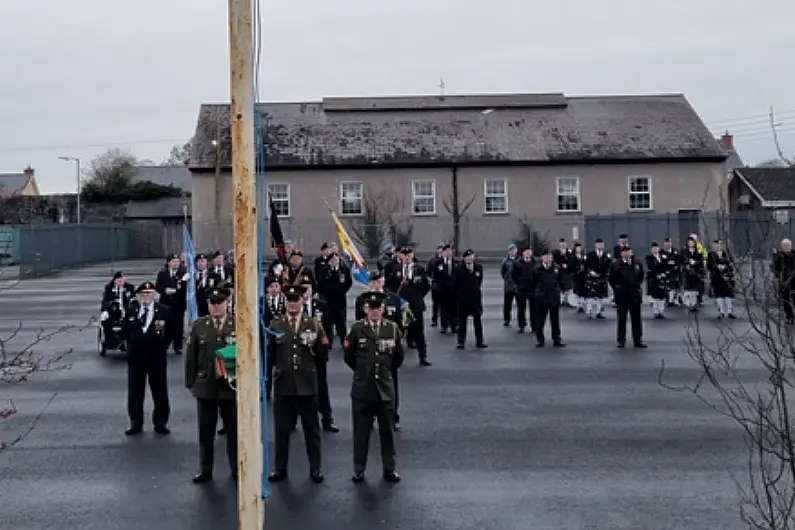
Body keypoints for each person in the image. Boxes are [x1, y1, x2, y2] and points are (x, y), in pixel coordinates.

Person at [267, 284, 328, 484]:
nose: (293, 304)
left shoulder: (314, 324)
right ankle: (280, 468)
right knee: (281, 431)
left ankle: (316, 467)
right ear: (285, 302)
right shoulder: (276, 325)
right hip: (284, 383)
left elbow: (321, 353)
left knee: (312, 430)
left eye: (296, 300)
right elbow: (270, 355)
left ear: (302, 301)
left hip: (307, 383)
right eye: (289, 300)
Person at [344, 291, 404, 483]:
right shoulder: (357, 330)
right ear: (365, 310)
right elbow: (348, 356)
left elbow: (398, 358)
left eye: (378, 308)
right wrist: (363, 372)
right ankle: (359, 468)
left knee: (387, 432)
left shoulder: (392, 329)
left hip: (385, 389)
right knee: (361, 433)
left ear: (383, 309)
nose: (375, 312)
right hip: (363, 389)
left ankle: (389, 468)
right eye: (371, 308)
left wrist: (384, 373)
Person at [184, 285, 238, 483]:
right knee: (206, 433)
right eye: (212, 303)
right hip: (206, 386)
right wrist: (191, 382)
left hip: (230, 387)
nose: (216, 307)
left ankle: (236, 468)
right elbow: (192, 355)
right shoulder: (200, 326)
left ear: (227, 303)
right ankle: (205, 468)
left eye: (220, 303)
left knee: (234, 432)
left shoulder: (237, 324)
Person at [122, 281, 174, 435]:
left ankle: (160, 422)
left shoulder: (164, 311)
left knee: (160, 392)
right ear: (139, 296)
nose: (146, 296)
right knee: (135, 393)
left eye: (149, 293)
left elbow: (171, 331)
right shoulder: (132, 310)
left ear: (154, 295)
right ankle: (135, 422)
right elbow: (125, 331)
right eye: (143, 294)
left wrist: (162, 346)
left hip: (156, 359)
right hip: (136, 359)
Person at [354, 271, 404, 430]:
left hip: (387, 349)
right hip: (367, 348)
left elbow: (398, 324)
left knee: (391, 385)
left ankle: (392, 416)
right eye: (373, 281)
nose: (376, 284)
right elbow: (358, 325)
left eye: (378, 280)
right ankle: (371, 416)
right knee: (368, 384)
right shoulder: (362, 300)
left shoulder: (393, 299)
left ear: (383, 281)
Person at [299, 280, 339, 433]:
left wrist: (325, 347)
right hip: (300, 353)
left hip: (318, 354)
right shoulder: (293, 306)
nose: (304, 293)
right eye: (301, 289)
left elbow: (328, 328)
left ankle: (327, 418)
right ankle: (294, 420)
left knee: (321, 386)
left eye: (307, 289)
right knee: (298, 386)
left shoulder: (320, 306)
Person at [386, 246, 431, 367]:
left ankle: (423, 356)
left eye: (409, 255)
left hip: (415, 305)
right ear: (401, 256)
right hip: (401, 305)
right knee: (398, 331)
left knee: (419, 331)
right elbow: (389, 285)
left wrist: (418, 296)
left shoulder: (419, 270)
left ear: (412, 256)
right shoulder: (396, 269)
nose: (407, 258)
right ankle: (394, 357)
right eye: (404, 255)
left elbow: (426, 286)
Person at [608, 246, 647, 348]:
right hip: (622, 295)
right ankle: (621, 340)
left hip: (635, 295)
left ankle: (638, 340)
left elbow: (641, 276)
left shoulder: (637, 264)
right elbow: (611, 278)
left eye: (629, 252)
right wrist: (617, 288)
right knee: (621, 319)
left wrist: (637, 287)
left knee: (637, 319)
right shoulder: (616, 265)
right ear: (621, 254)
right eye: (625, 252)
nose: (627, 254)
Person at [453, 249, 487, 349]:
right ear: (464, 259)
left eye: (471, 257)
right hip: (463, 300)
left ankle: (480, 341)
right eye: (467, 257)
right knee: (462, 322)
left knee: (478, 322)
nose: (469, 259)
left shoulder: (478, 268)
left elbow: (479, 282)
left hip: (475, 299)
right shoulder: (459, 269)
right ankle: (461, 341)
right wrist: (459, 295)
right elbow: (454, 285)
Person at [155, 253, 189, 354]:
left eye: (177, 262)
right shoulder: (162, 273)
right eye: (173, 262)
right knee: (162, 325)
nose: (176, 264)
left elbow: (186, 289)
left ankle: (177, 346)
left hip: (178, 303)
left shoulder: (183, 274)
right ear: (169, 263)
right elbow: (158, 287)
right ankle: (162, 345)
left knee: (178, 325)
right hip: (165, 303)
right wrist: (165, 290)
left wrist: (176, 290)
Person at [531, 250, 565, 348]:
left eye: (550, 257)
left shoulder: (557, 268)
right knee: (540, 321)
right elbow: (533, 283)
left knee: (555, 320)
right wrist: (537, 294)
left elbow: (560, 281)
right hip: (542, 298)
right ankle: (540, 339)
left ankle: (556, 339)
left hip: (554, 297)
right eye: (546, 257)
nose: (548, 259)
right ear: (542, 258)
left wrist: (559, 292)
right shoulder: (537, 270)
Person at [318, 252, 352, 347]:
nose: (334, 261)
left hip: (340, 300)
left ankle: (343, 340)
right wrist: (324, 294)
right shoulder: (324, 270)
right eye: (332, 260)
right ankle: (329, 341)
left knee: (341, 323)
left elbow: (349, 282)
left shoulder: (343, 270)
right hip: (328, 301)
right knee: (328, 322)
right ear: (329, 262)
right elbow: (320, 283)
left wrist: (343, 291)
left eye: (336, 260)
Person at [261, 276, 285, 401]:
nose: (274, 289)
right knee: (266, 366)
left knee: (282, 365)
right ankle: (266, 391)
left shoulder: (285, 300)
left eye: (276, 286)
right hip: (267, 338)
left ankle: (282, 391)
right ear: (266, 289)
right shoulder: (262, 301)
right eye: (271, 287)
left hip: (282, 338)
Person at [100, 271, 135, 352]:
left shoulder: (130, 287)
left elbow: (134, 299)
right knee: (105, 320)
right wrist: (106, 309)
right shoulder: (109, 288)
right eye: (118, 279)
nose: (121, 281)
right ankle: (111, 341)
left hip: (127, 312)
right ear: (115, 280)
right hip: (114, 312)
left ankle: (129, 341)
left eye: (122, 279)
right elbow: (105, 301)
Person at [708, 240, 736, 319]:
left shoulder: (726, 254)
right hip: (716, 277)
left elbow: (731, 264)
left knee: (729, 294)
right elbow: (709, 266)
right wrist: (716, 267)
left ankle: (730, 311)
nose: (718, 247)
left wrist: (727, 269)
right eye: (716, 245)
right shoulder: (711, 255)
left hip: (727, 277)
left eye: (719, 245)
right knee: (719, 294)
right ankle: (722, 312)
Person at [511, 247, 536, 333]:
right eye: (526, 252)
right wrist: (518, 283)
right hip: (521, 290)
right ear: (523, 254)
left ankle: (534, 326)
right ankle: (521, 325)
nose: (528, 254)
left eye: (529, 252)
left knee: (534, 309)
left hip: (533, 290)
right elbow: (513, 276)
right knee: (521, 309)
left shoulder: (535, 264)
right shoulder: (517, 264)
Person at [585, 239, 611, 319]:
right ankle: (589, 311)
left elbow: (608, 266)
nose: (600, 246)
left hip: (602, 276)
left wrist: (605, 274)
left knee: (600, 296)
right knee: (590, 296)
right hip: (592, 276)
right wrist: (590, 272)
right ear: (595, 245)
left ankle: (599, 312)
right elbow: (586, 265)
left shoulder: (607, 255)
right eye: (598, 244)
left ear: (603, 245)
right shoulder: (590, 254)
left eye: (601, 244)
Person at [435, 243, 458, 334]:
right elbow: (436, 276)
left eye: (450, 251)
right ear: (443, 252)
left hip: (453, 289)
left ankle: (454, 325)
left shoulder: (456, 262)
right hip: (443, 289)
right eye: (446, 251)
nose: (448, 253)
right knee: (443, 308)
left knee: (454, 308)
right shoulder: (438, 263)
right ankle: (444, 325)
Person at [773, 239, 795, 324]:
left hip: (794, 281)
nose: (787, 247)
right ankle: (789, 317)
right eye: (785, 245)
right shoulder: (779, 256)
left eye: (788, 245)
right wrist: (779, 275)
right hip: (784, 281)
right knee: (785, 300)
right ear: (782, 246)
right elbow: (776, 268)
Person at [645, 242, 669, 319]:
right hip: (653, 278)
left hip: (663, 277)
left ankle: (661, 311)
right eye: (653, 249)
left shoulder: (664, 257)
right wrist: (657, 272)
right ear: (651, 250)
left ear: (659, 249)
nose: (655, 250)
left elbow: (666, 266)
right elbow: (651, 266)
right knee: (655, 295)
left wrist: (664, 273)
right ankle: (656, 311)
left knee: (662, 295)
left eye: (656, 248)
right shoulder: (649, 258)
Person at [682, 237, 705, 312]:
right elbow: (681, 260)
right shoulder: (684, 251)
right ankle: (689, 304)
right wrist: (686, 265)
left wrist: (695, 262)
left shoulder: (698, 252)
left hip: (696, 272)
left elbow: (701, 261)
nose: (690, 244)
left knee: (695, 290)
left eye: (692, 242)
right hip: (687, 273)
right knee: (689, 289)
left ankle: (694, 304)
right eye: (689, 242)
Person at [500, 244, 519, 326]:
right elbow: (502, 272)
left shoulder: (519, 260)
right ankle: (507, 319)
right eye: (511, 250)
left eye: (513, 249)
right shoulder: (505, 261)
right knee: (507, 304)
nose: (512, 251)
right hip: (508, 286)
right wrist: (507, 279)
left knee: (520, 305)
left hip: (518, 286)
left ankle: (521, 321)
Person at [426, 243, 444, 327]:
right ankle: (434, 319)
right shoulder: (432, 260)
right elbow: (428, 271)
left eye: (442, 248)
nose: (440, 250)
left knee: (445, 303)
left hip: (445, 284)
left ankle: (445, 320)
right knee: (435, 303)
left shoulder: (446, 259)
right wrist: (433, 278)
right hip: (436, 284)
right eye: (439, 248)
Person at [661, 238, 683, 306]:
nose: (668, 244)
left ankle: (676, 298)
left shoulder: (676, 251)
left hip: (675, 271)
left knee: (676, 285)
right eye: (666, 243)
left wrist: (676, 265)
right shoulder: (661, 252)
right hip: (666, 271)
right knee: (667, 286)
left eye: (669, 243)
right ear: (664, 244)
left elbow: (680, 261)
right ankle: (669, 300)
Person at [553, 238, 573, 306]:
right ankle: (561, 300)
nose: (563, 245)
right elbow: (554, 261)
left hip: (567, 272)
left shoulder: (569, 253)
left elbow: (572, 261)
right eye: (561, 244)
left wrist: (567, 265)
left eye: (564, 243)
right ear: (559, 244)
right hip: (559, 272)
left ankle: (566, 300)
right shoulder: (556, 252)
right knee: (560, 286)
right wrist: (559, 266)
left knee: (567, 287)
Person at [570, 244, 588, 313]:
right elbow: (571, 266)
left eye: (580, 248)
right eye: (577, 248)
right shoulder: (573, 257)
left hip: (583, 276)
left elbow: (586, 264)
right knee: (577, 291)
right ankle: (579, 305)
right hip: (576, 276)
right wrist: (577, 269)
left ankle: (582, 305)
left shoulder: (584, 257)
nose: (579, 249)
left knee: (583, 291)